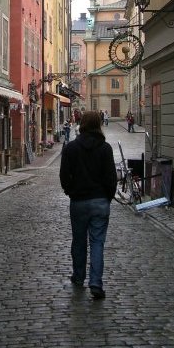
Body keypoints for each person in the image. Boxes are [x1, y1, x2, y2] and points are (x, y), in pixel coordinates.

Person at [60, 111, 117, 300]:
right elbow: (111, 177)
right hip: (100, 201)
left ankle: (78, 277)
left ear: (82, 124)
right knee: (97, 243)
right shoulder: (105, 148)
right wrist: (107, 197)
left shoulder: (71, 148)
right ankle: (96, 283)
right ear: (98, 124)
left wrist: (70, 191)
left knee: (78, 241)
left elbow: (64, 175)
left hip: (78, 202)